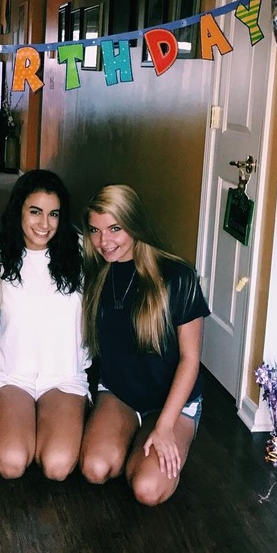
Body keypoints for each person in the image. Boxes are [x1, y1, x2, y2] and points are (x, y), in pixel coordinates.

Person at [79, 184, 209, 506]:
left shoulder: (178, 276)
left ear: (134, 224)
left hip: (172, 402)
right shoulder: (96, 273)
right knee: (95, 468)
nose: (104, 242)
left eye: (115, 229)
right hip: (120, 393)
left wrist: (164, 426)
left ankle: (160, 436)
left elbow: (190, 359)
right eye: (95, 230)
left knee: (147, 490)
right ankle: (131, 436)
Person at [0, 170, 90, 480]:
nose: (44, 223)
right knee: (11, 463)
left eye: (53, 214)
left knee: (57, 465)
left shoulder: (82, 251)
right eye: (35, 211)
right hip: (11, 374)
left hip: (64, 375)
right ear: (19, 209)